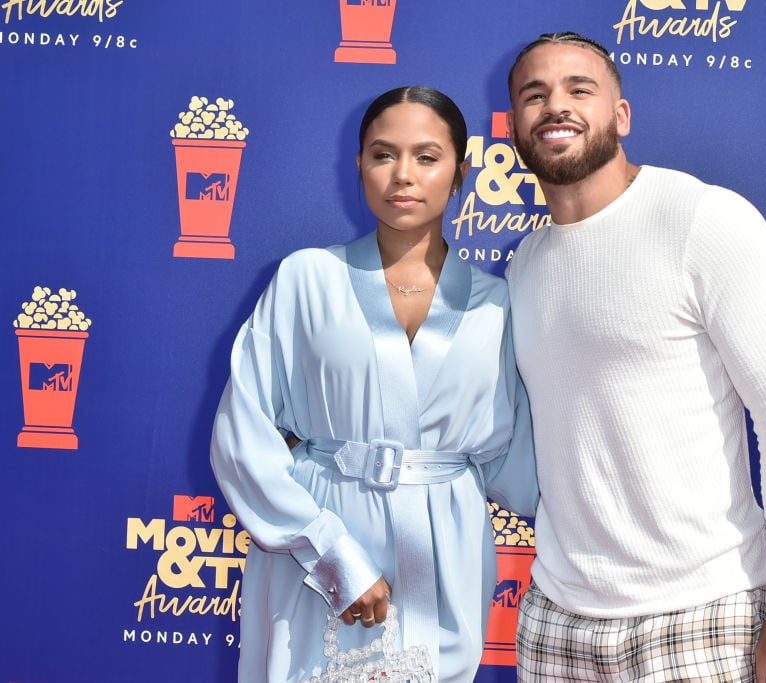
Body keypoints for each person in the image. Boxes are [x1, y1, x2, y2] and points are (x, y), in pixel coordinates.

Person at [504, 32, 766, 683]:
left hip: (699, 613)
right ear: (513, 126)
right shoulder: (523, 266)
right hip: (556, 622)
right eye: (534, 95)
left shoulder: (703, 220)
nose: (555, 106)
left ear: (621, 116)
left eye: (578, 89)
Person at [210, 85, 537, 683]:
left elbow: (522, 463)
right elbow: (243, 433)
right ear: (358, 164)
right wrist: (330, 554)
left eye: (427, 156)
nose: (403, 175)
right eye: (383, 154)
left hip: (445, 550)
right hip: (322, 537)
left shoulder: (500, 304)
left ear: (462, 171)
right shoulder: (307, 279)